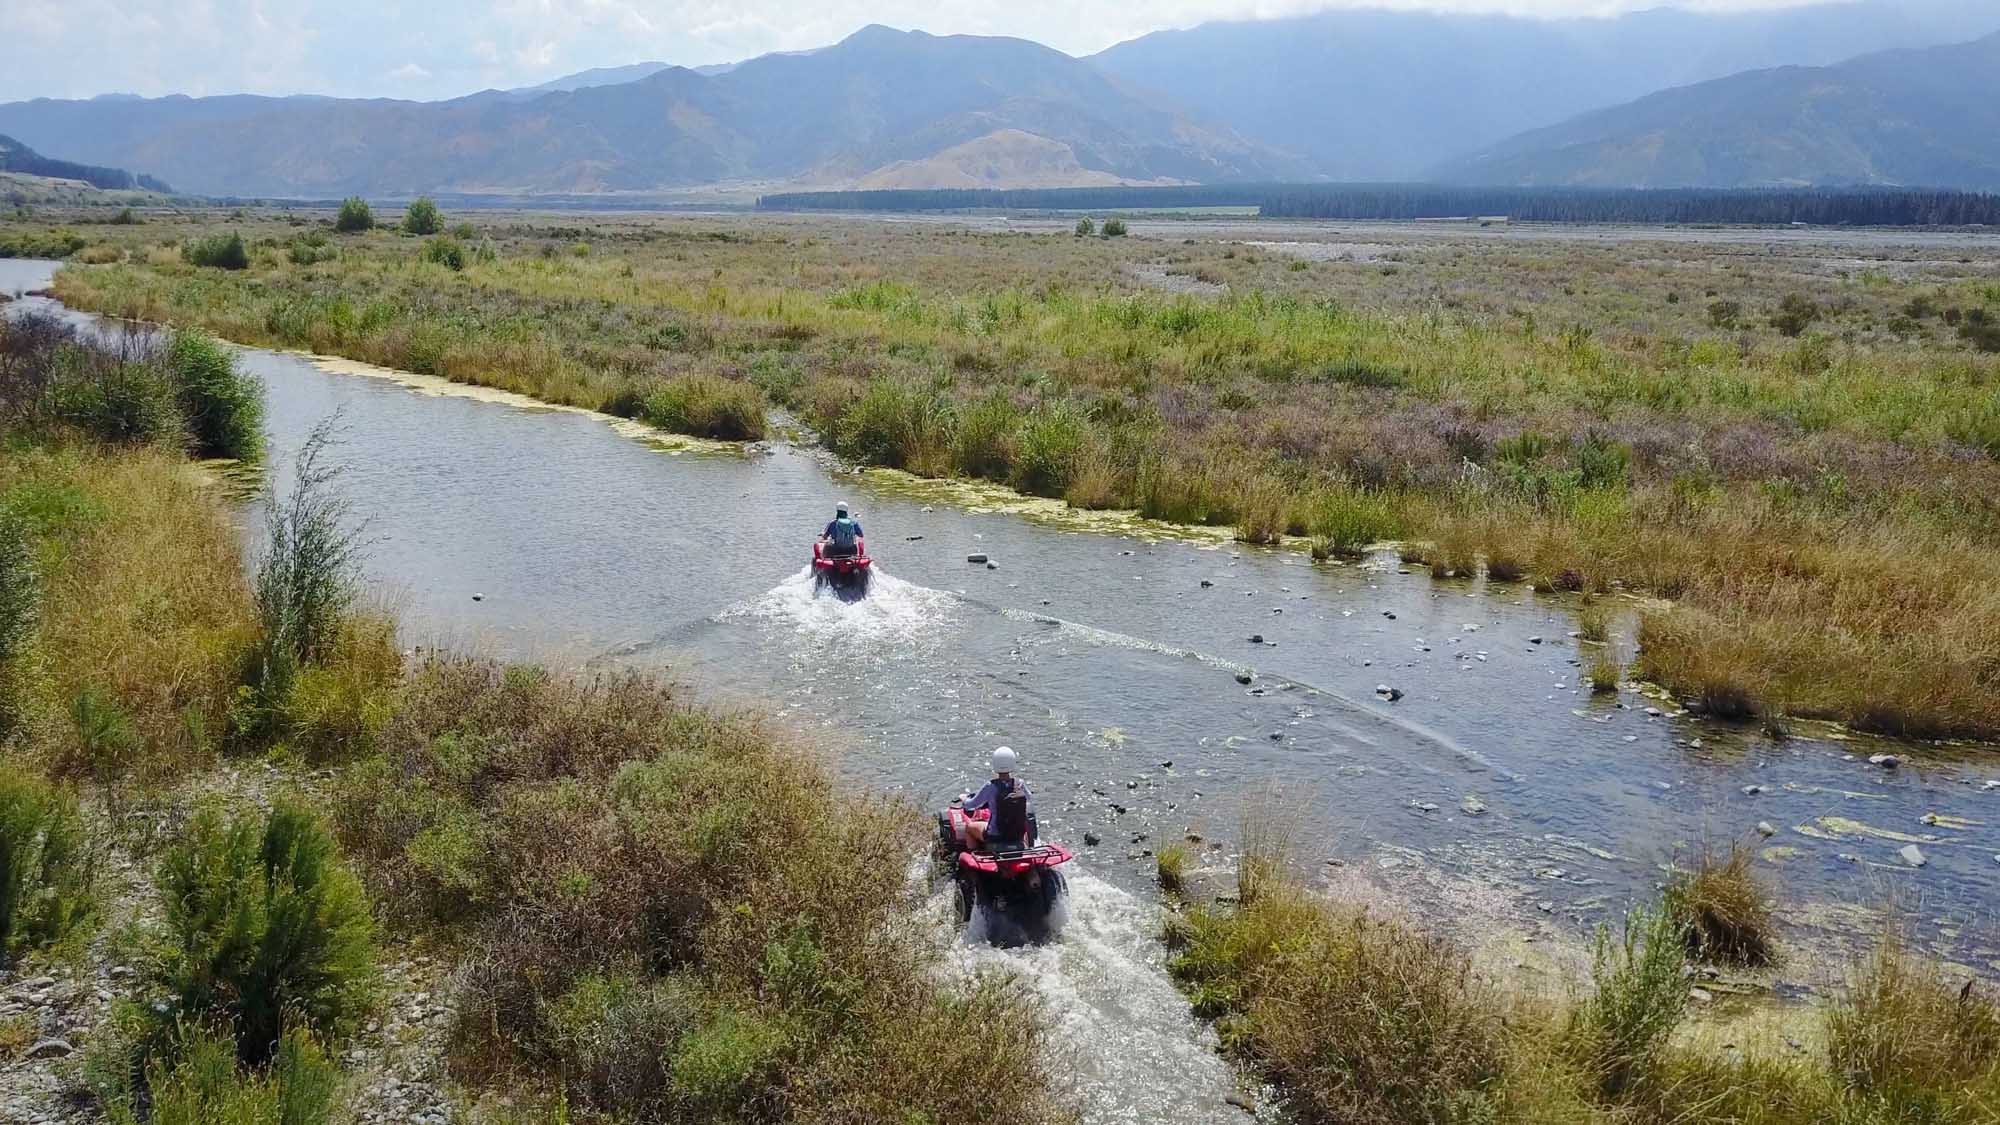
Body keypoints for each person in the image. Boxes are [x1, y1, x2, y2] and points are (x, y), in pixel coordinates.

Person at [963, 746, 1035, 850]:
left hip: (995, 836)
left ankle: (974, 853)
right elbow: (1029, 798)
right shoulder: (1020, 784)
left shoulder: (990, 786)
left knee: (969, 828)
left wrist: (964, 799)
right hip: (1016, 834)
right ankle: (1025, 848)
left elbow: (971, 805)